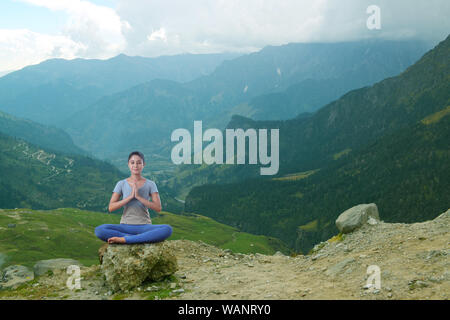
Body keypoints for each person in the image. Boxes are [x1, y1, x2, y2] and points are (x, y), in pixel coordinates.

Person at [95, 151, 173, 244]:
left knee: (167, 229)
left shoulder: (150, 184)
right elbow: (111, 207)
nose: (135, 165)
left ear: (144, 164)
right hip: (125, 226)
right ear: (128, 164)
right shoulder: (121, 183)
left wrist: (139, 197)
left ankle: (126, 239)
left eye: (139, 162)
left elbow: (158, 208)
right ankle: (140, 238)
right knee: (99, 230)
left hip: (144, 226)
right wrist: (130, 197)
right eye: (132, 162)